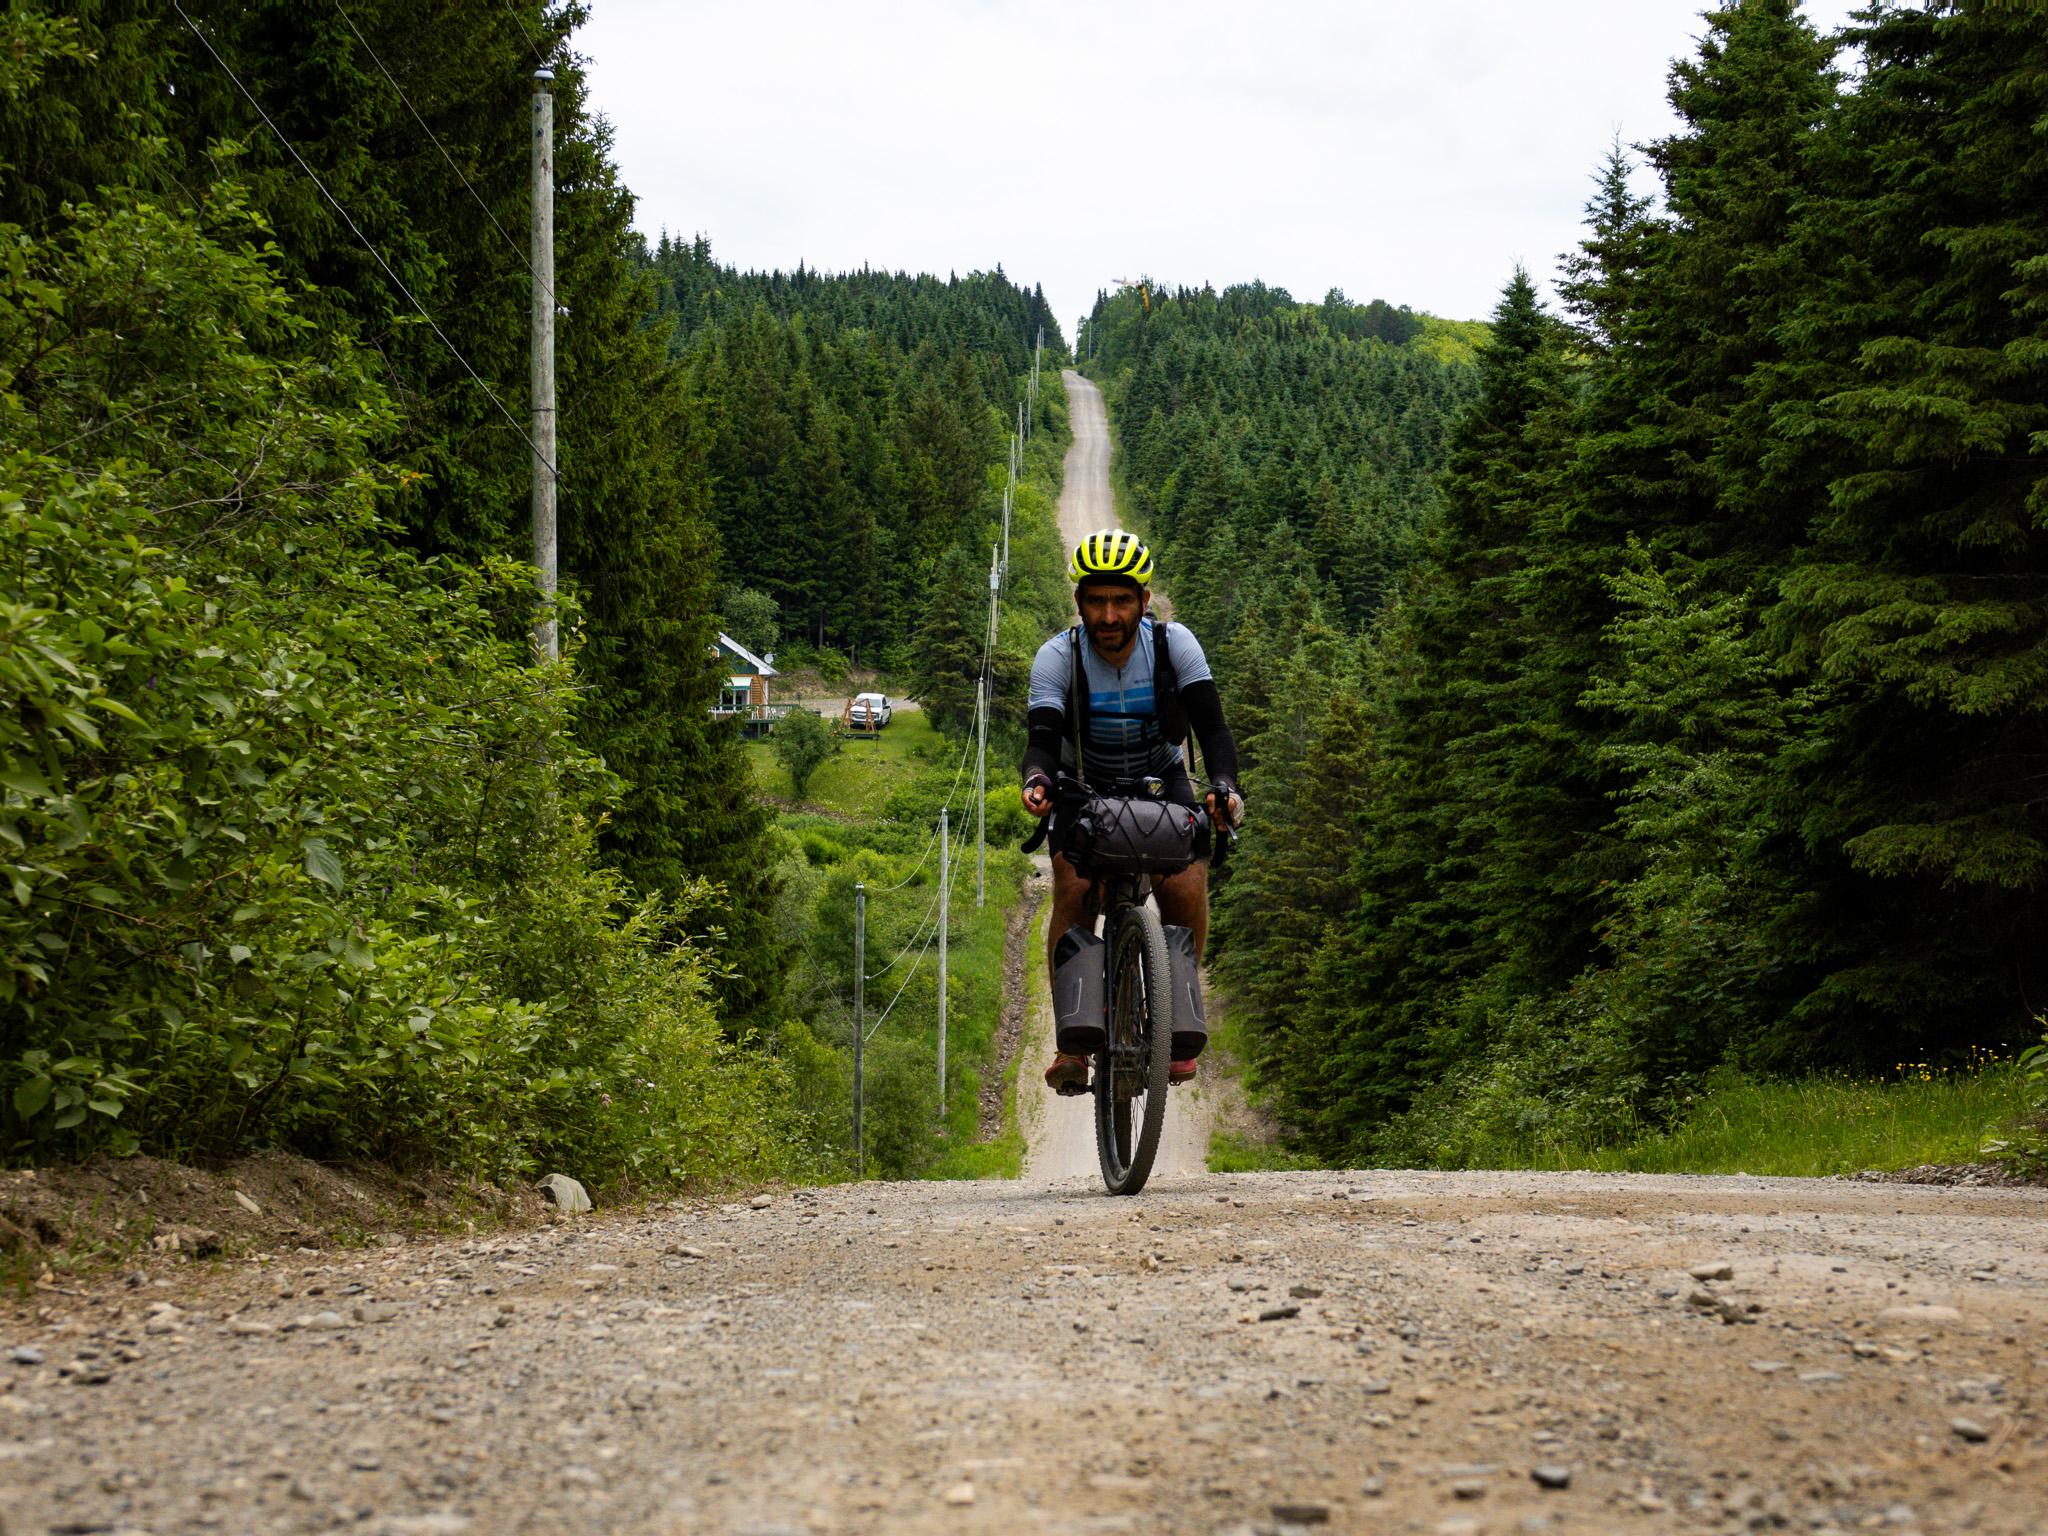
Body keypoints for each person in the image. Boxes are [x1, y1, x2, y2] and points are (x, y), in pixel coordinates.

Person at [1021, 529, 1243, 1094]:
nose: (1109, 614)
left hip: (1160, 778)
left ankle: (1174, 1028)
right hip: (1081, 783)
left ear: (1144, 601)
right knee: (1072, 893)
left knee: (1187, 887)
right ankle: (1071, 1047)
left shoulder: (1174, 645)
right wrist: (1038, 780)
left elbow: (1213, 728)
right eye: (1097, 600)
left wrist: (1222, 785)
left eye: (1122, 600)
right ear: (1081, 604)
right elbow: (1042, 738)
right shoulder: (1057, 656)